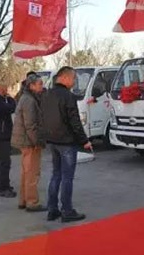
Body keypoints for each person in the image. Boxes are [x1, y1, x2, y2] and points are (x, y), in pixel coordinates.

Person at [42, 66, 92, 223]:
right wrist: (84, 141)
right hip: (66, 142)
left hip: (52, 141)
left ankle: (52, 209)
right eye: (73, 78)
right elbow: (75, 122)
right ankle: (67, 210)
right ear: (64, 77)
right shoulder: (68, 97)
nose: (74, 82)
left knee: (56, 174)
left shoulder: (46, 95)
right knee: (67, 177)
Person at [12, 74, 47, 212]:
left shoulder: (26, 98)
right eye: (39, 84)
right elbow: (30, 125)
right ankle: (32, 202)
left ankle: (24, 200)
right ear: (31, 86)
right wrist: (37, 141)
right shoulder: (29, 100)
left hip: (25, 141)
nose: (42, 86)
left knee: (26, 172)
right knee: (32, 173)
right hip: (29, 142)